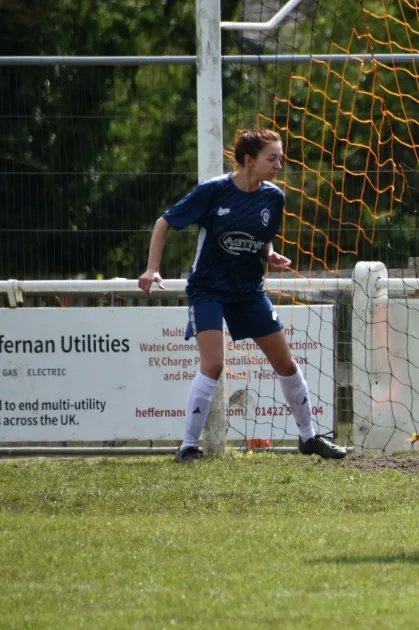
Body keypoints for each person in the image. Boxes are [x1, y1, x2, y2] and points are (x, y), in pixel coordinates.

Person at [137, 128, 347, 462]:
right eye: (272, 158)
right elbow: (164, 223)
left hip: (249, 291)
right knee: (214, 365)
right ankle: (188, 447)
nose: (279, 164)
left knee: (286, 363)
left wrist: (269, 254)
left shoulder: (273, 197)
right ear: (249, 161)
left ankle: (309, 438)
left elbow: (262, 237)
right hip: (209, 290)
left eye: (281, 157)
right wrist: (152, 268)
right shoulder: (214, 191)